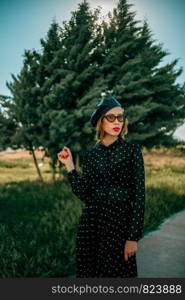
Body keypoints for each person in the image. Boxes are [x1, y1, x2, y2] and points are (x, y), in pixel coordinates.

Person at [57, 96, 145, 278]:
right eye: (111, 117)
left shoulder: (132, 151)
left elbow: (139, 195)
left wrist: (133, 237)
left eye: (120, 117)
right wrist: (70, 166)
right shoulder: (92, 155)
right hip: (91, 225)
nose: (117, 122)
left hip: (119, 225)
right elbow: (84, 193)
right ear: (100, 121)